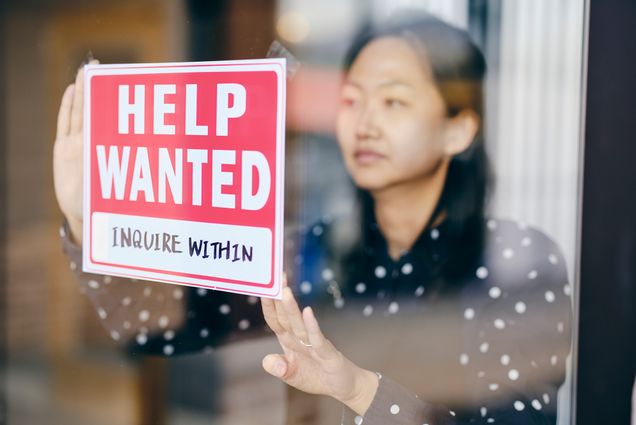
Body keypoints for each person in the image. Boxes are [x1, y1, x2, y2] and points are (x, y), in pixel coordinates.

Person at [54, 12, 572, 425]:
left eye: (393, 101)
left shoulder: (515, 262)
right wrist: (89, 220)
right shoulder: (318, 248)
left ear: (457, 131)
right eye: (351, 100)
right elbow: (166, 331)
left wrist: (357, 388)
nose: (363, 123)